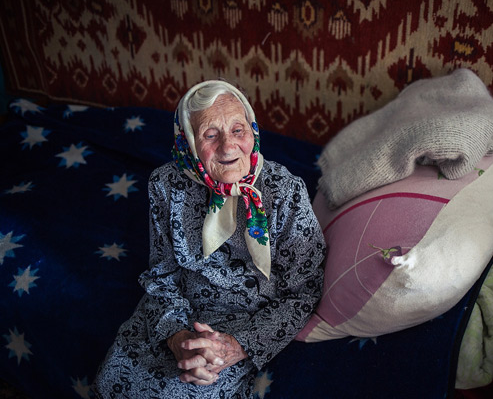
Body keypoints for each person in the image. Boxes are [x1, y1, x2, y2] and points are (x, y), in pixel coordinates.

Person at [93, 80, 326, 398]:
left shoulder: (285, 191)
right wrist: (177, 337)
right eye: (210, 135)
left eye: (238, 130)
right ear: (188, 142)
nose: (228, 147)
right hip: (181, 308)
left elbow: (305, 292)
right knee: (111, 382)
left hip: (248, 320)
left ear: (253, 130)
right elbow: (162, 275)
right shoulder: (166, 184)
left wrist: (237, 345)